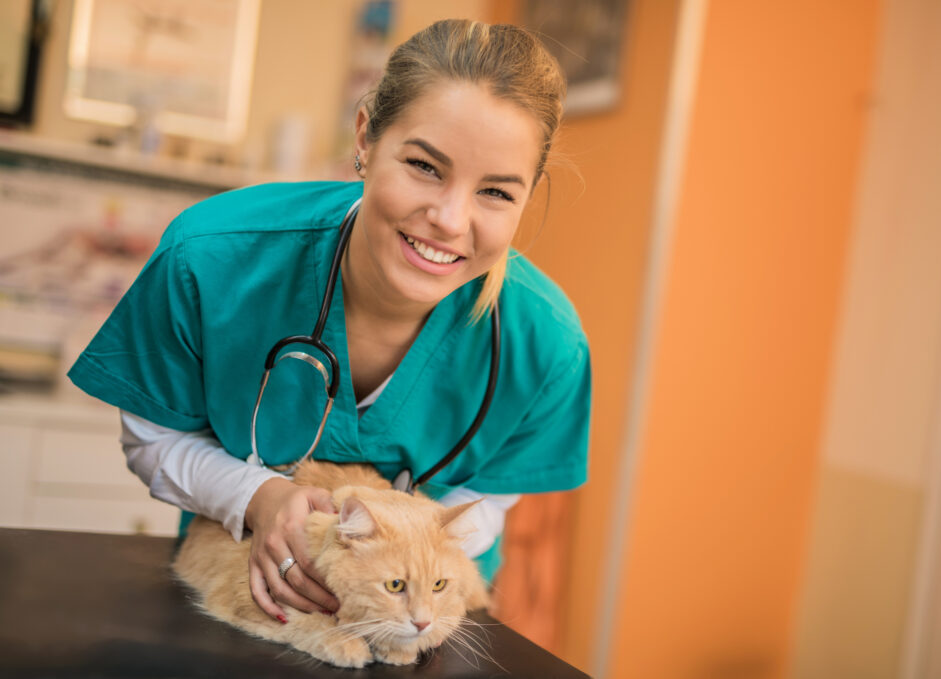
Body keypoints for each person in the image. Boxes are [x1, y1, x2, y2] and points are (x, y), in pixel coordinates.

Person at [68, 19, 590, 626]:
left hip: (424, 624)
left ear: (529, 195)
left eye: (496, 193)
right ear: (366, 137)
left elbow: (491, 499)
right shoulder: (210, 259)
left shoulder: (546, 346)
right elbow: (152, 438)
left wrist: (399, 557)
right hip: (245, 599)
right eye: (425, 166)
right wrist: (257, 497)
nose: (449, 219)